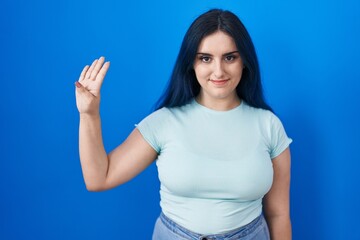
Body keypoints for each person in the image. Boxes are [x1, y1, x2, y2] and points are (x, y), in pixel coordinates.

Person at [75, 9, 292, 240]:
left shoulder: (269, 126)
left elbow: (278, 214)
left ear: (244, 62)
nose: (218, 70)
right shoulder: (164, 122)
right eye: (205, 58)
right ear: (192, 64)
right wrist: (89, 113)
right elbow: (99, 178)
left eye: (230, 57)